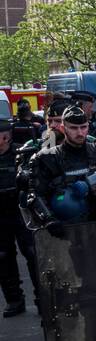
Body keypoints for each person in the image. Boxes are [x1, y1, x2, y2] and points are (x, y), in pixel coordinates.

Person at [23, 106, 96, 237]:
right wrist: (49, 219)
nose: (80, 133)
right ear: (63, 129)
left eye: (84, 127)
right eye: (74, 128)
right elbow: (35, 194)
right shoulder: (46, 158)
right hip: (65, 229)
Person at [0, 120, 39, 317]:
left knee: (33, 254)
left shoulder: (21, 154)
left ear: (6, 137)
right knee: (3, 257)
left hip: (21, 212)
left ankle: (43, 298)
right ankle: (14, 299)